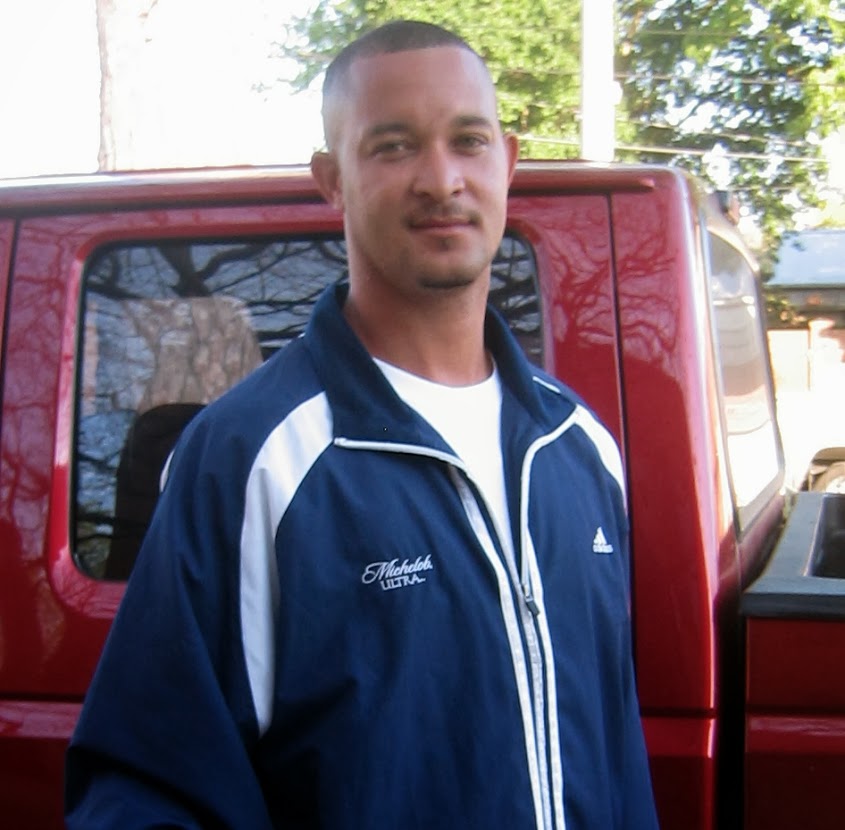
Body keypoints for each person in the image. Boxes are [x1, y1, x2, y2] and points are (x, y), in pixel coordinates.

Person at [65, 19, 659, 830]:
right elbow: (148, 793)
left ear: (508, 161)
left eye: (469, 141)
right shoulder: (251, 460)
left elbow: (616, 751)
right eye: (392, 146)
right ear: (331, 180)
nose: (441, 180)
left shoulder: (578, 447)